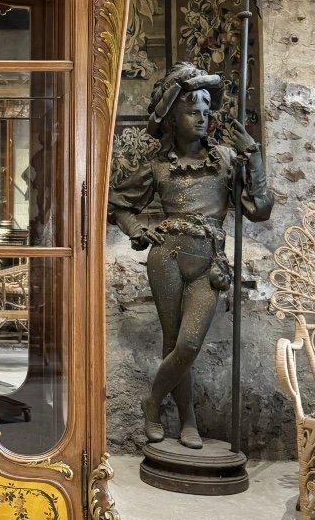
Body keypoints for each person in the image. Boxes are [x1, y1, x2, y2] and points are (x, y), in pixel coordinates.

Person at [108, 62, 273, 448]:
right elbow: (120, 204)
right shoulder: (158, 166)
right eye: (191, 111)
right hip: (165, 255)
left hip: (209, 263)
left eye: (204, 111)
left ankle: (152, 402)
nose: (201, 118)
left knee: (189, 343)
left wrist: (255, 157)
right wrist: (137, 231)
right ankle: (187, 421)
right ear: (173, 117)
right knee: (172, 339)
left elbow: (259, 209)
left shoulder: (227, 160)